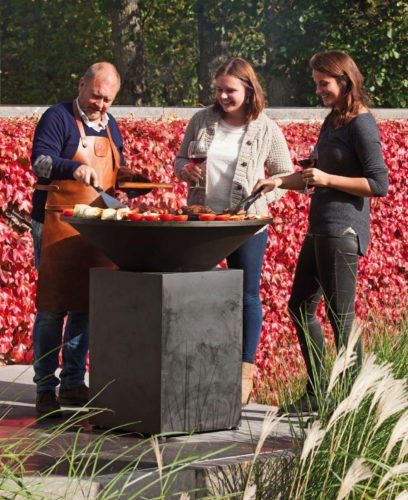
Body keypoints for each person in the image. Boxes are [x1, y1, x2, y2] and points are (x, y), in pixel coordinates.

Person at [254, 51, 388, 412]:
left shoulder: (362, 123)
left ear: (344, 80)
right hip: (320, 226)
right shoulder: (334, 121)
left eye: (323, 83)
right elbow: (314, 175)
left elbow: (379, 184)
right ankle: (316, 394)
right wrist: (279, 181)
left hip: (343, 229)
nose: (318, 90)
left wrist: (328, 179)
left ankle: (354, 403)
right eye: (316, 83)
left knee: (340, 314)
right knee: (300, 307)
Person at [31, 62, 149, 415]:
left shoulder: (111, 125)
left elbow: (114, 169)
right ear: (82, 85)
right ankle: (44, 388)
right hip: (56, 222)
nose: (100, 104)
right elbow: (40, 162)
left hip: (98, 225)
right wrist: (72, 167)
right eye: (96, 95)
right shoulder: (57, 117)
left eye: (108, 99)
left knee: (87, 305)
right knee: (53, 307)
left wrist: (132, 180)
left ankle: (71, 384)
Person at [175, 57, 294, 405]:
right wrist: (186, 172)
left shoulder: (265, 128)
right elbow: (181, 160)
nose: (223, 96)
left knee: (246, 296)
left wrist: (271, 183)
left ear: (248, 89)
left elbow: (286, 174)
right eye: (219, 90)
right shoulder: (201, 120)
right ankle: (197, 365)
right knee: (199, 293)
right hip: (203, 222)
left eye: (230, 90)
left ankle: (243, 374)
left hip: (246, 224)